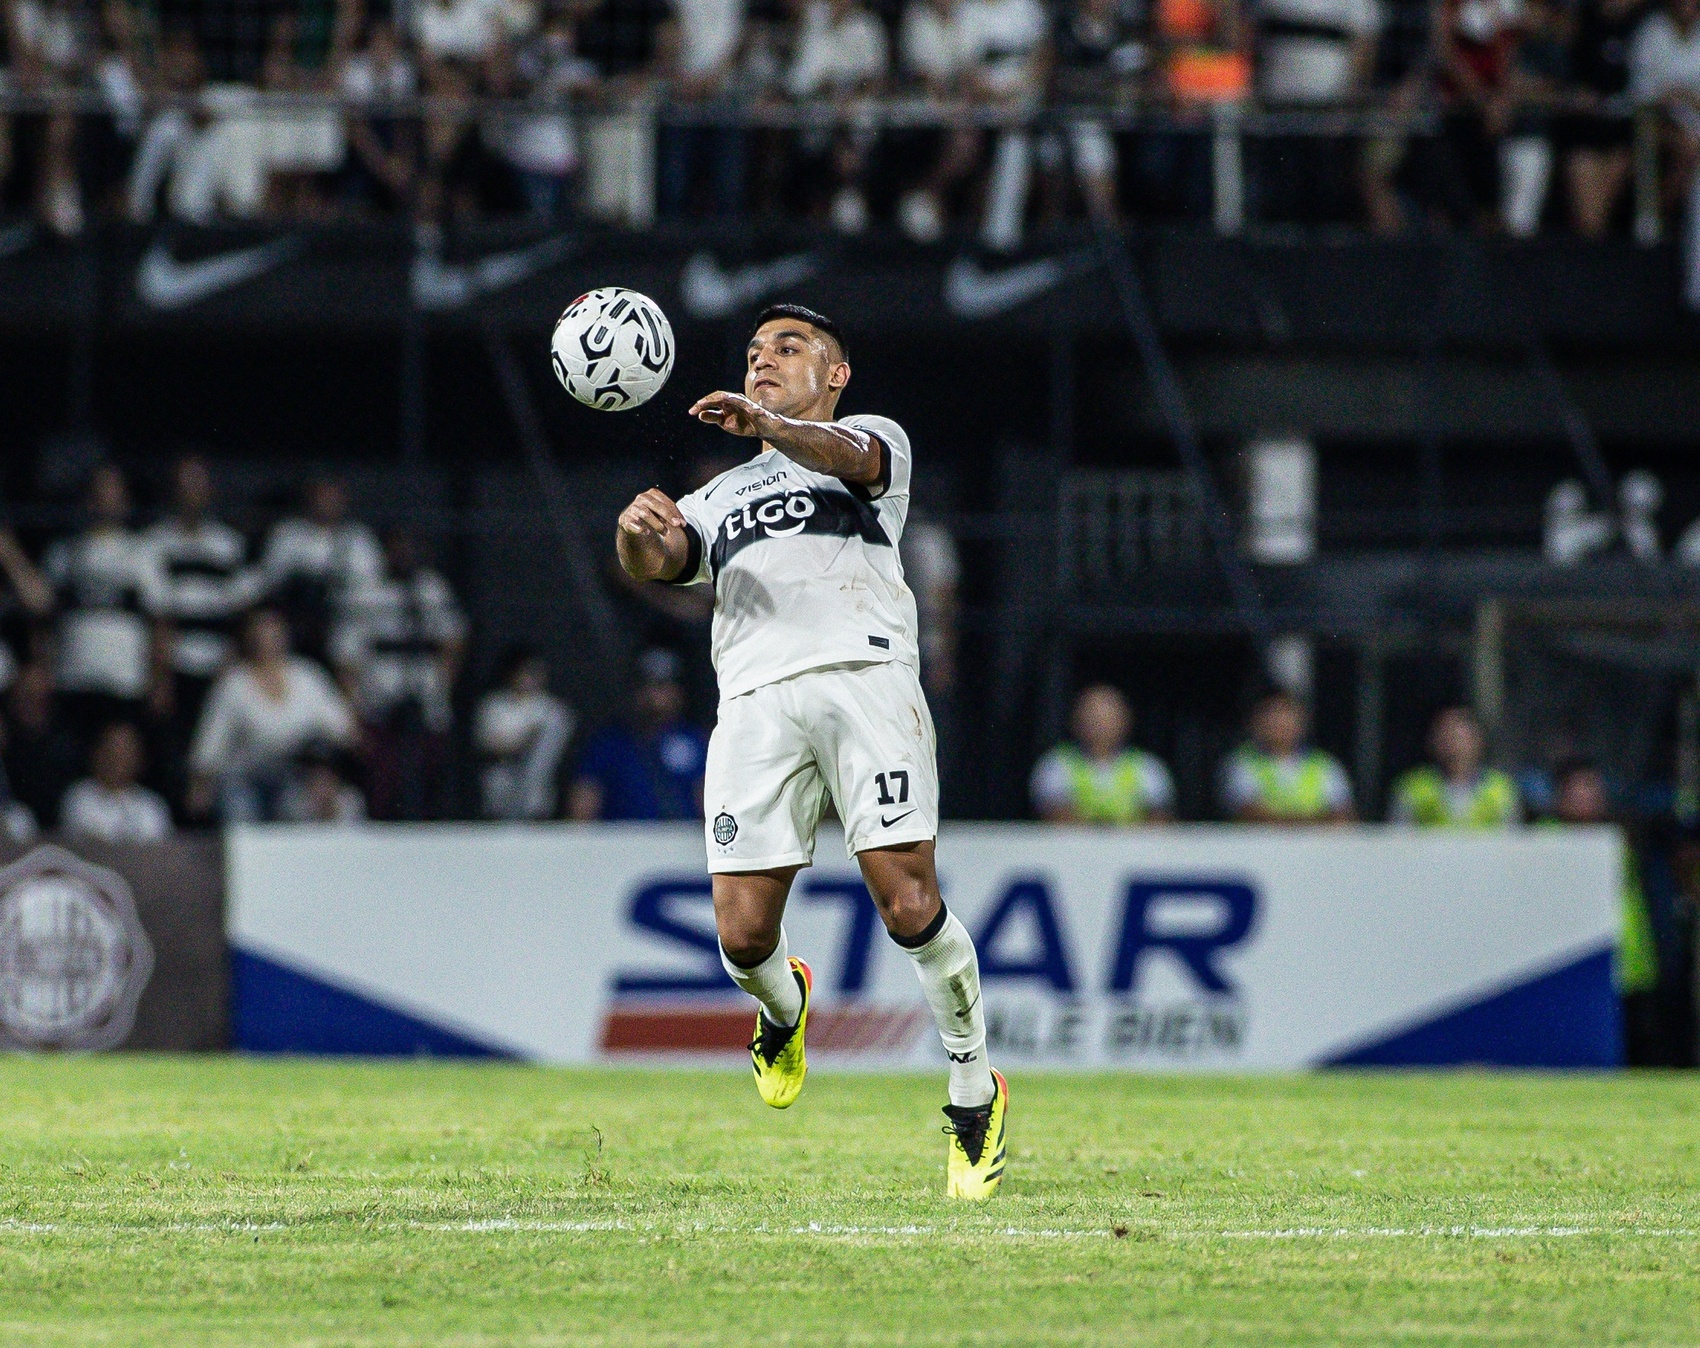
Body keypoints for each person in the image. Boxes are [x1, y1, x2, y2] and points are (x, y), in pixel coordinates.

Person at [612, 304, 1007, 1200]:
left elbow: (845, 457)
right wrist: (637, 536)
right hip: (754, 703)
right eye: (755, 352)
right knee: (741, 936)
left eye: (789, 349)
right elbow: (662, 561)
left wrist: (771, 427)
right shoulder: (717, 498)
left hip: (866, 681)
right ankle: (784, 1006)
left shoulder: (875, 441)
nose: (764, 361)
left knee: (908, 904)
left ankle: (973, 1092)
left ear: (836, 375)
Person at [331, 527, 467, 820]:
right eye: (398, 547)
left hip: (427, 711)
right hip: (379, 712)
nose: (405, 554)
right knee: (383, 795)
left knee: (431, 790)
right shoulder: (365, 592)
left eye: (410, 547)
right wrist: (353, 717)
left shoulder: (431, 588)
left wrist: (441, 688)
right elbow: (346, 659)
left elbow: (454, 640)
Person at [142, 454, 256, 775]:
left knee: (215, 754)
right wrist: (161, 677)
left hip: (219, 666)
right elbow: (159, 613)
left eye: (198, 484)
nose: (191, 492)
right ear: (173, 489)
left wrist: (230, 665)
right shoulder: (156, 541)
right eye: (185, 484)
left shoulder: (229, 544)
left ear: (209, 490)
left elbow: (240, 611)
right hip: (176, 665)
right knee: (173, 757)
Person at [188, 608, 356, 823]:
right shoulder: (234, 682)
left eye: (273, 632)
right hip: (244, 778)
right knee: (241, 812)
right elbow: (211, 740)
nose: (266, 640)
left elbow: (344, 730)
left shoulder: (307, 676)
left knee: (310, 805)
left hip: (295, 777)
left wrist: (326, 774)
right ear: (249, 637)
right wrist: (200, 784)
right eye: (260, 632)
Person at [41, 464, 167, 742]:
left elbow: (159, 621)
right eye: (98, 491)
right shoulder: (62, 553)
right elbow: (46, 621)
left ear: (125, 499)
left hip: (125, 679)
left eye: (112, 491)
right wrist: (45, 670)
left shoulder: (143, 551)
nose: (105, 498)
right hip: (72, 678)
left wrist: (160, 681)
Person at [1547, 756, 1659, 1060]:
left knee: (1633, 1043)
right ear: (1560, 797)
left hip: (1625, 958)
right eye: (1575, 790)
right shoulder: (1545, 839)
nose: (1584, 798)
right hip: (1565, 959)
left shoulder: (1619, 838)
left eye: (1590, 789)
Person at [568, 647, 706, 820]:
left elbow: (709, 800)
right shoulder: (608, 743)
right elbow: (583, 807)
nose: (654, 697)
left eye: (662, 686)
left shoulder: (695, 741)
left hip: (681, 834)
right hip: (623, 835)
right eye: (646, 686)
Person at [260, 475, 383, 665]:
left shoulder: (358, 538)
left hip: (341, 620)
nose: (326, 503)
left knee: (351, 641)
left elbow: (370, 585)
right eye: (322, 496)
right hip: (296, 620)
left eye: (332, 497)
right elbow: (271, 579)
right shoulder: (288, 533)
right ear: (310, 498)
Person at [1030, 684, 1176, 824]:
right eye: (1093, 718)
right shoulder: (1057, 764)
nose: (1100, 726)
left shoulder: (1147, 767)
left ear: (1125, 721)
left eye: (1107, 718)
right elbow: (1056, 819)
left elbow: (1159, 822)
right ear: (1076, 720)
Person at [1220, 689, 1355, 823]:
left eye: (1287, 716)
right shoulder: (1241, 763)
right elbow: (1248, 813)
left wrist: (1293, 823)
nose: (1280, 724)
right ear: (1256, 721)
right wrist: (1310, 822)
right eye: (1273, 716)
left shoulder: (1325, 765)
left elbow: (1342, 815)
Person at [476, 646, 575, 820]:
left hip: (535, 797)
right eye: (526, 671)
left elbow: (554, 751)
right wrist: (525, 740)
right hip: (499, 787)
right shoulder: (494, 704)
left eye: (536, 672)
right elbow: (488, 744)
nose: (530, 677)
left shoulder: (552, 709)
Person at [1390, 705, 1521, 826]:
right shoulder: (1413, 786)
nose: (1453, 746)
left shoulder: (1502, 788)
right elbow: (1396, 837)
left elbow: (1513, 838)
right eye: (1446, 737)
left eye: (1459, 738)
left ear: (1478, 741)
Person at [60, 720, 173, 843]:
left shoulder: (152, 806)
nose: (117, 758)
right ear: (96, 753)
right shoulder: (79, 797)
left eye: (126, 751)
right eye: (111, 750)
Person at [2, 661, 81, 830]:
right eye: (23, 697)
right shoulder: (5, 738)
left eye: (36, 698)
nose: (29, 704)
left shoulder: (64, 744)